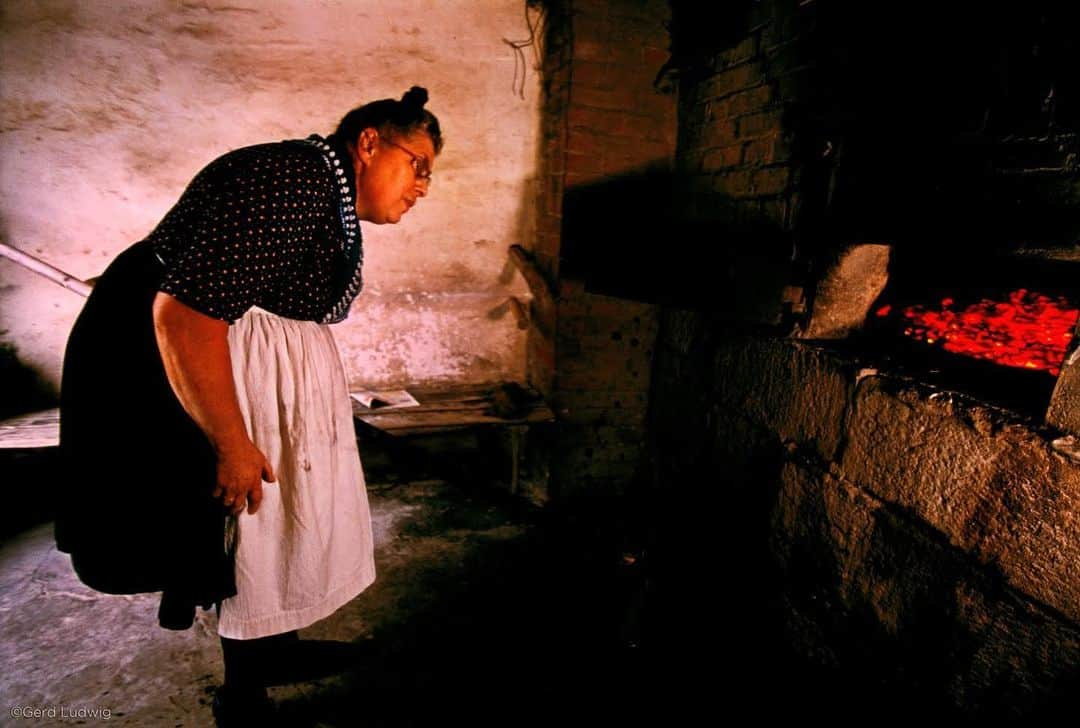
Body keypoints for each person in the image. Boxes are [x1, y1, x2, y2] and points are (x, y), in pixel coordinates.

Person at [56, 86, 442, 724]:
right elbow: (184, 314)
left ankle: (272, 650)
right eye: (418, 164)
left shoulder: (321, 187)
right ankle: (245, 690)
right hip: (189, 351)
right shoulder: (292, 179)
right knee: (246, 512)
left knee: (276, 518)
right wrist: (231, 443)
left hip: (247, 356)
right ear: (369, 143)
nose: (424, 185)